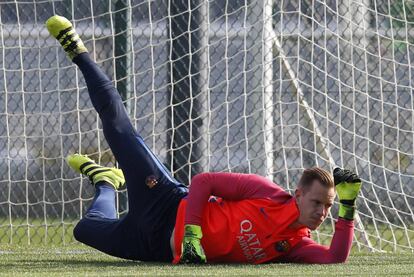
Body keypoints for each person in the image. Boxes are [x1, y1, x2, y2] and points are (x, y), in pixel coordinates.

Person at [45, 15, 362, 264]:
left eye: (328, 206)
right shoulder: (266, 194)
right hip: (165, 204)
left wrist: (347, 208)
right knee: (118, 127)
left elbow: (333, 258)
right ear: (298, 194)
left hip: (154, 248)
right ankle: (79, 52)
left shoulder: (293, 245)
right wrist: (193, 231)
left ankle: (104, 182)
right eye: (317, 202)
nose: (322, 212)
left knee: (83, 230)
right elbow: (203, 182)